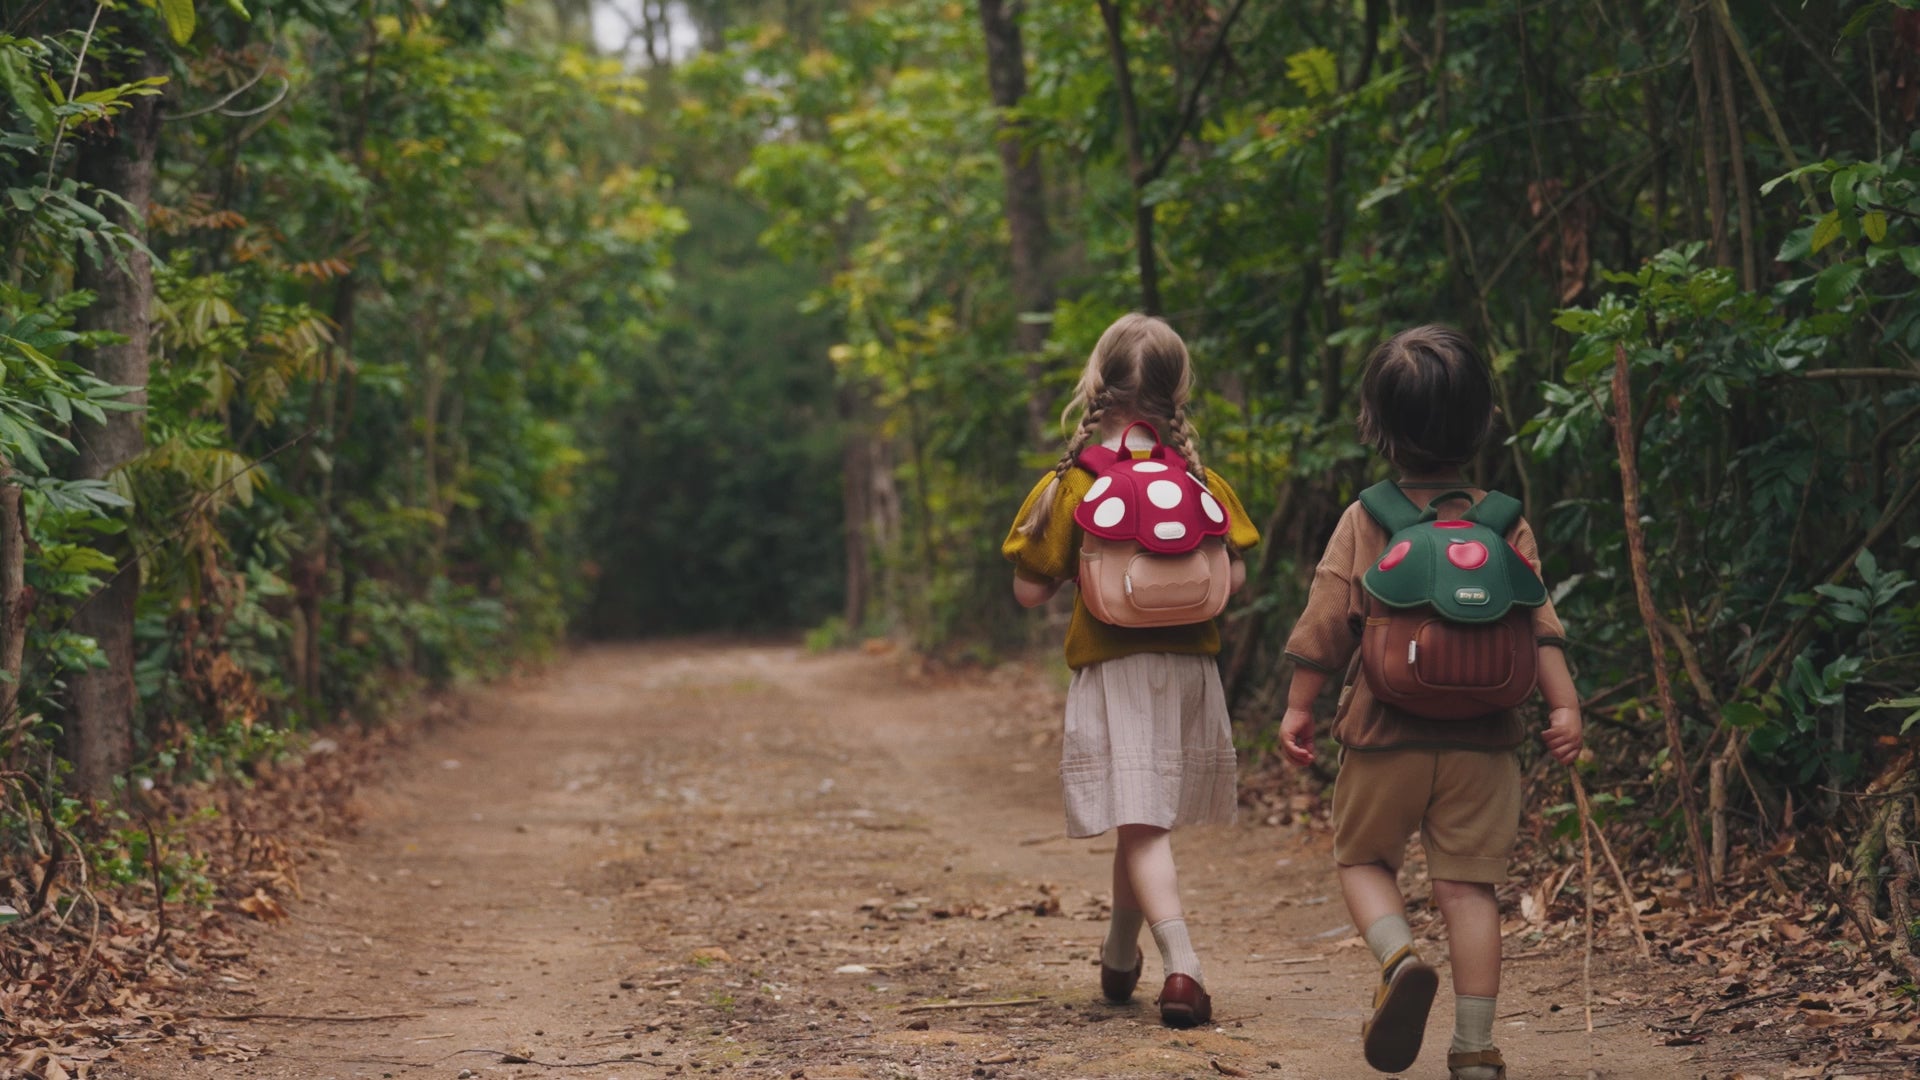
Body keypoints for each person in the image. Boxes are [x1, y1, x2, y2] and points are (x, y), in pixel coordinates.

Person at [1277, 325, 1583, 1080]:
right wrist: (1565, 711)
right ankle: (1475, 1048)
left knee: (1362, 859)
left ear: (1376, 425)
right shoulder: (1504, 521)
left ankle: (1398, 959)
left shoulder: (1367, 518)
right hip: (1485, 739)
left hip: (1385, 733)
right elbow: (1539, 625)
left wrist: (1299, 706)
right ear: (1483, 421)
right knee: (1469, 889)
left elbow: (1327, 620)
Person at [1002, 313, 1259, 1028]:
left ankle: (1183, 967)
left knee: (1142, 823)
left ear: (1096, 383)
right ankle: (1120, 952)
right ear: (1178, 390)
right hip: (1189, 670)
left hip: (1116, 672)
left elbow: (1028, 591)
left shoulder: (1073, 484)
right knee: (1138, 814)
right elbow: (1234, 577)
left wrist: (1087, 568)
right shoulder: (1198, 478)